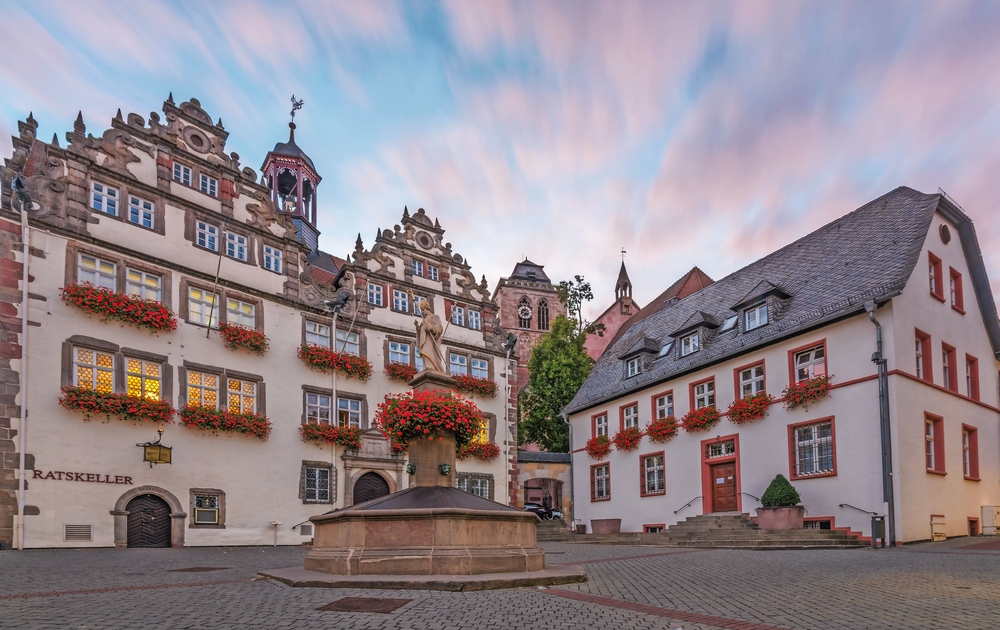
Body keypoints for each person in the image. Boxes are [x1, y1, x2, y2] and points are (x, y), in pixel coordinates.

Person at [414, 298, 445, 374]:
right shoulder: (423, 320)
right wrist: (418, 327)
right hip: (424, 341)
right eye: (422, 310)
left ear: (427, 308)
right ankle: (427, 367)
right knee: (424, 353)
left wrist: (432, 328)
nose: (423, 312)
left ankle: (432, 367)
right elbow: (421, 332)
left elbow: (440, 327)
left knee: (429, 352)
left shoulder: (434, 317)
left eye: (423, 309)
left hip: (430, 341)